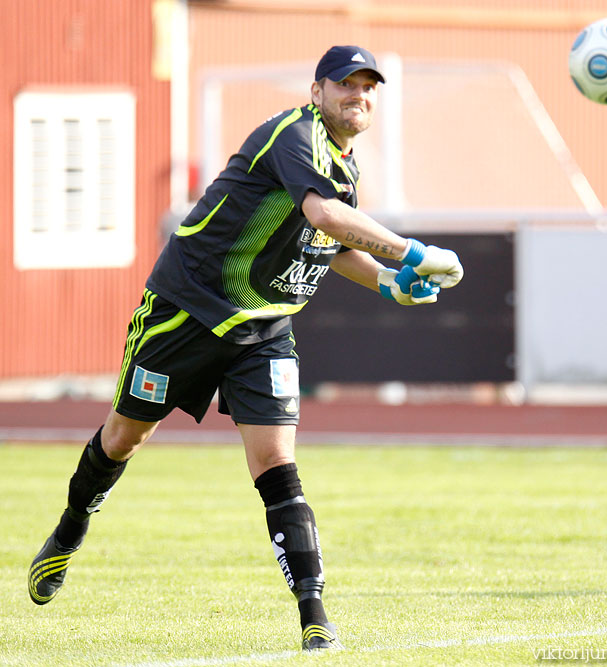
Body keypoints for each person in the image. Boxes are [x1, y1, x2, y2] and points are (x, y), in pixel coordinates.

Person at [28, 45, 463, 651]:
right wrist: (413, 253)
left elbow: (331, 246)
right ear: (317, 92)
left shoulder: (346, 165)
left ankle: (315, 618)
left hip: (264, 330)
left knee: (277, 466)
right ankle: (69, 532)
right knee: (125, 437)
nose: (357, 95)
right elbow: (325, 216)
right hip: (187, 312)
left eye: (367, 87)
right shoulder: (294, 132)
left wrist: (391, 284)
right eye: (345, 84)